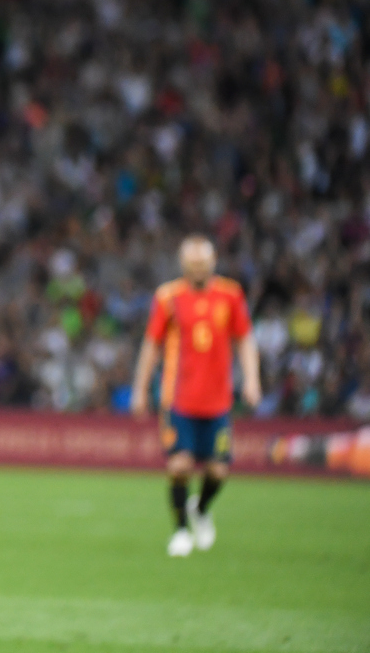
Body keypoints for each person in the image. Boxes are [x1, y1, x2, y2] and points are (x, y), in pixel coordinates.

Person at [130, 235, 261, 558]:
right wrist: (140, 389)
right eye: (193, 263)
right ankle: (180, 531)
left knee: (218, 471)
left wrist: (252, 379)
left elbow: (244, 339)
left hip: (217, 403)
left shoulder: (230, 295)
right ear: (183, 264)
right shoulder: (168, 297)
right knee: (179, 465)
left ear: (213, 262)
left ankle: (200, 508)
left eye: (203, 263)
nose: (198, 268)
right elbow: (152, 345)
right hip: (178, 400)